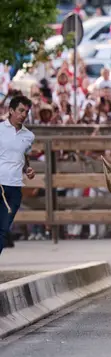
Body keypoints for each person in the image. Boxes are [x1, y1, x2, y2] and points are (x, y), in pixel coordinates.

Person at [0, 96, 36, 255]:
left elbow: (25, 157)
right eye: (21, 110)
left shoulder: (29, 136)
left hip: (15, 188)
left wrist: (28, 169)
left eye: (26, 112)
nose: (23, 115)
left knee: (3, 229)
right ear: (11, 111)